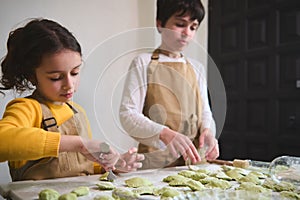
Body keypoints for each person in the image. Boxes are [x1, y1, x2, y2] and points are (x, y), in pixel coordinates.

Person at [0, 18, 144, 181]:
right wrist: (79, 143)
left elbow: (83, 166)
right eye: (55, 77)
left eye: (74, 73)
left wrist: (112, 165)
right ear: (32, 76)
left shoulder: (77, 112)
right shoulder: (27, 108)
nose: (69, 85)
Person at [119, 0, 219, 169]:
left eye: (193, 27)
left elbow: (204, 112)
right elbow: (127, 114)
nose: (187, 33)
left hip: (194, 161)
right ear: (160, 24)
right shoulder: (143, 63)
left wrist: (208, 131)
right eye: (180, 24)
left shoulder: (197, 68)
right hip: (155, 161)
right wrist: (165, 134)